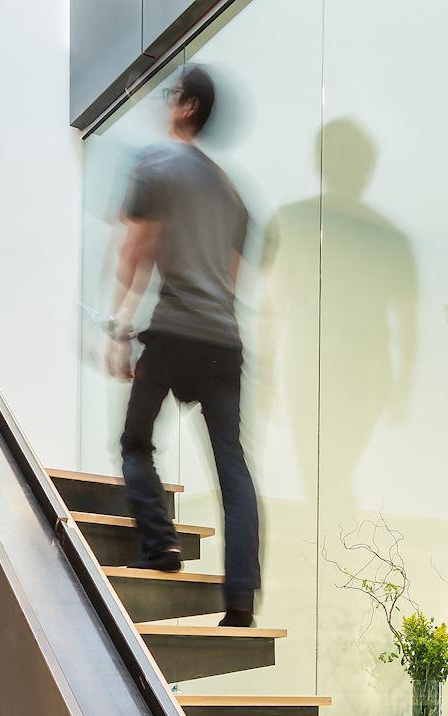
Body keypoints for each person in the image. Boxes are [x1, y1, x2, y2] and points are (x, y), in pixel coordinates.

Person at [104, 65, 259, 627]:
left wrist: (120, 328)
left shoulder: (156, 163)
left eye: (172, 95)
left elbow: (137, 252)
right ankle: (240, 599)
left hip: (173, 332)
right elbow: (233, 281)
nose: (167, 102)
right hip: (224, 342)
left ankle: (160, 547)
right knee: (232, 469)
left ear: (188, 107)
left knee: (134, 442)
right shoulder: (235, 197)